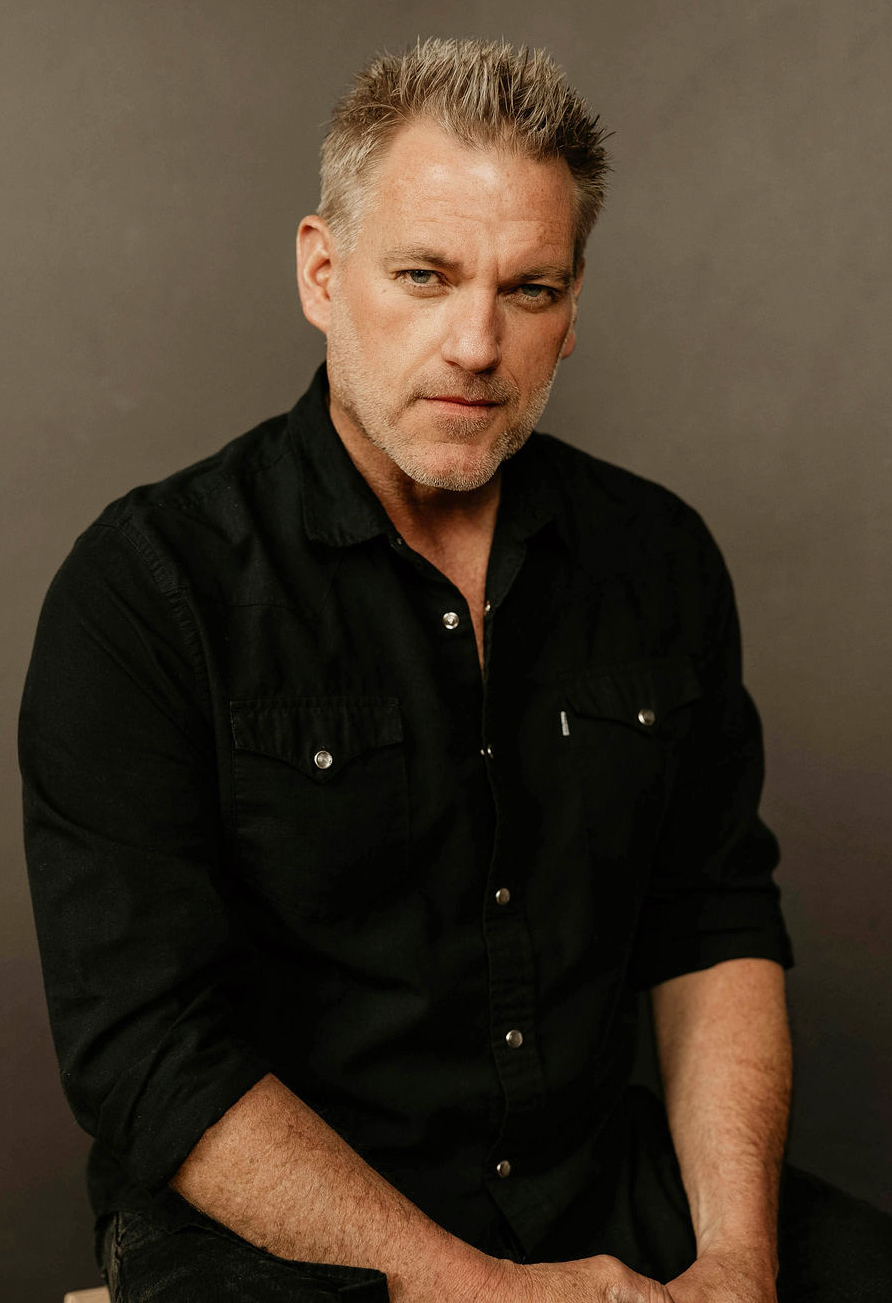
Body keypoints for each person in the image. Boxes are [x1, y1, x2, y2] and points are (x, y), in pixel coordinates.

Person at [20, 37, 891, 1303]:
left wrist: (736, 1264)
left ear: (571, 313)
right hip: (278, 1238)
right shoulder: (148, 590)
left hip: (597, 1189)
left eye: (527, 288)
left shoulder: (657, 559)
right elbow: (146, 1047)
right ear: (323, 273)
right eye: (424, 276)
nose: (477, 343)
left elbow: (710, 927)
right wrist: (483, 1294)